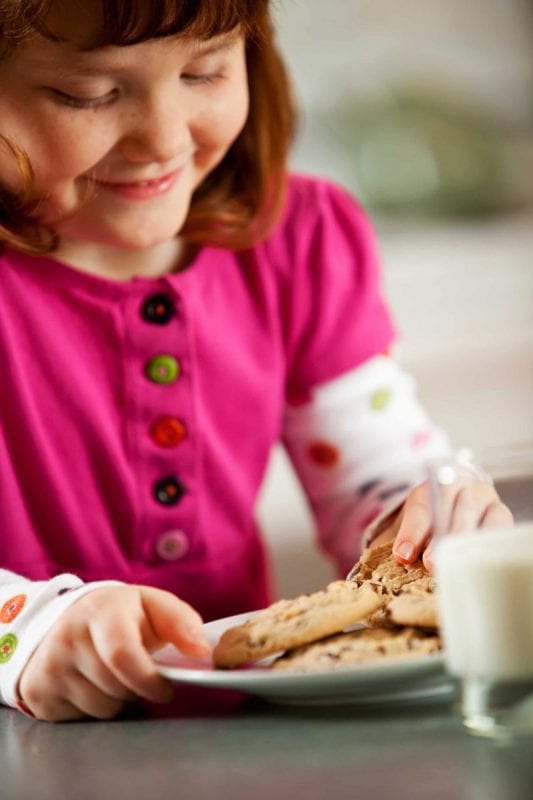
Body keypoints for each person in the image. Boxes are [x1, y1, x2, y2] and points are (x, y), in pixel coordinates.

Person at [0, 0, 511, 722]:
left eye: (205, 71)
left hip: (247, 743)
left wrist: (420, 518)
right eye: (89, 94)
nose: (163, 138)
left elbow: (373, 477)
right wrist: (24, 631)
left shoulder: (298, 241)